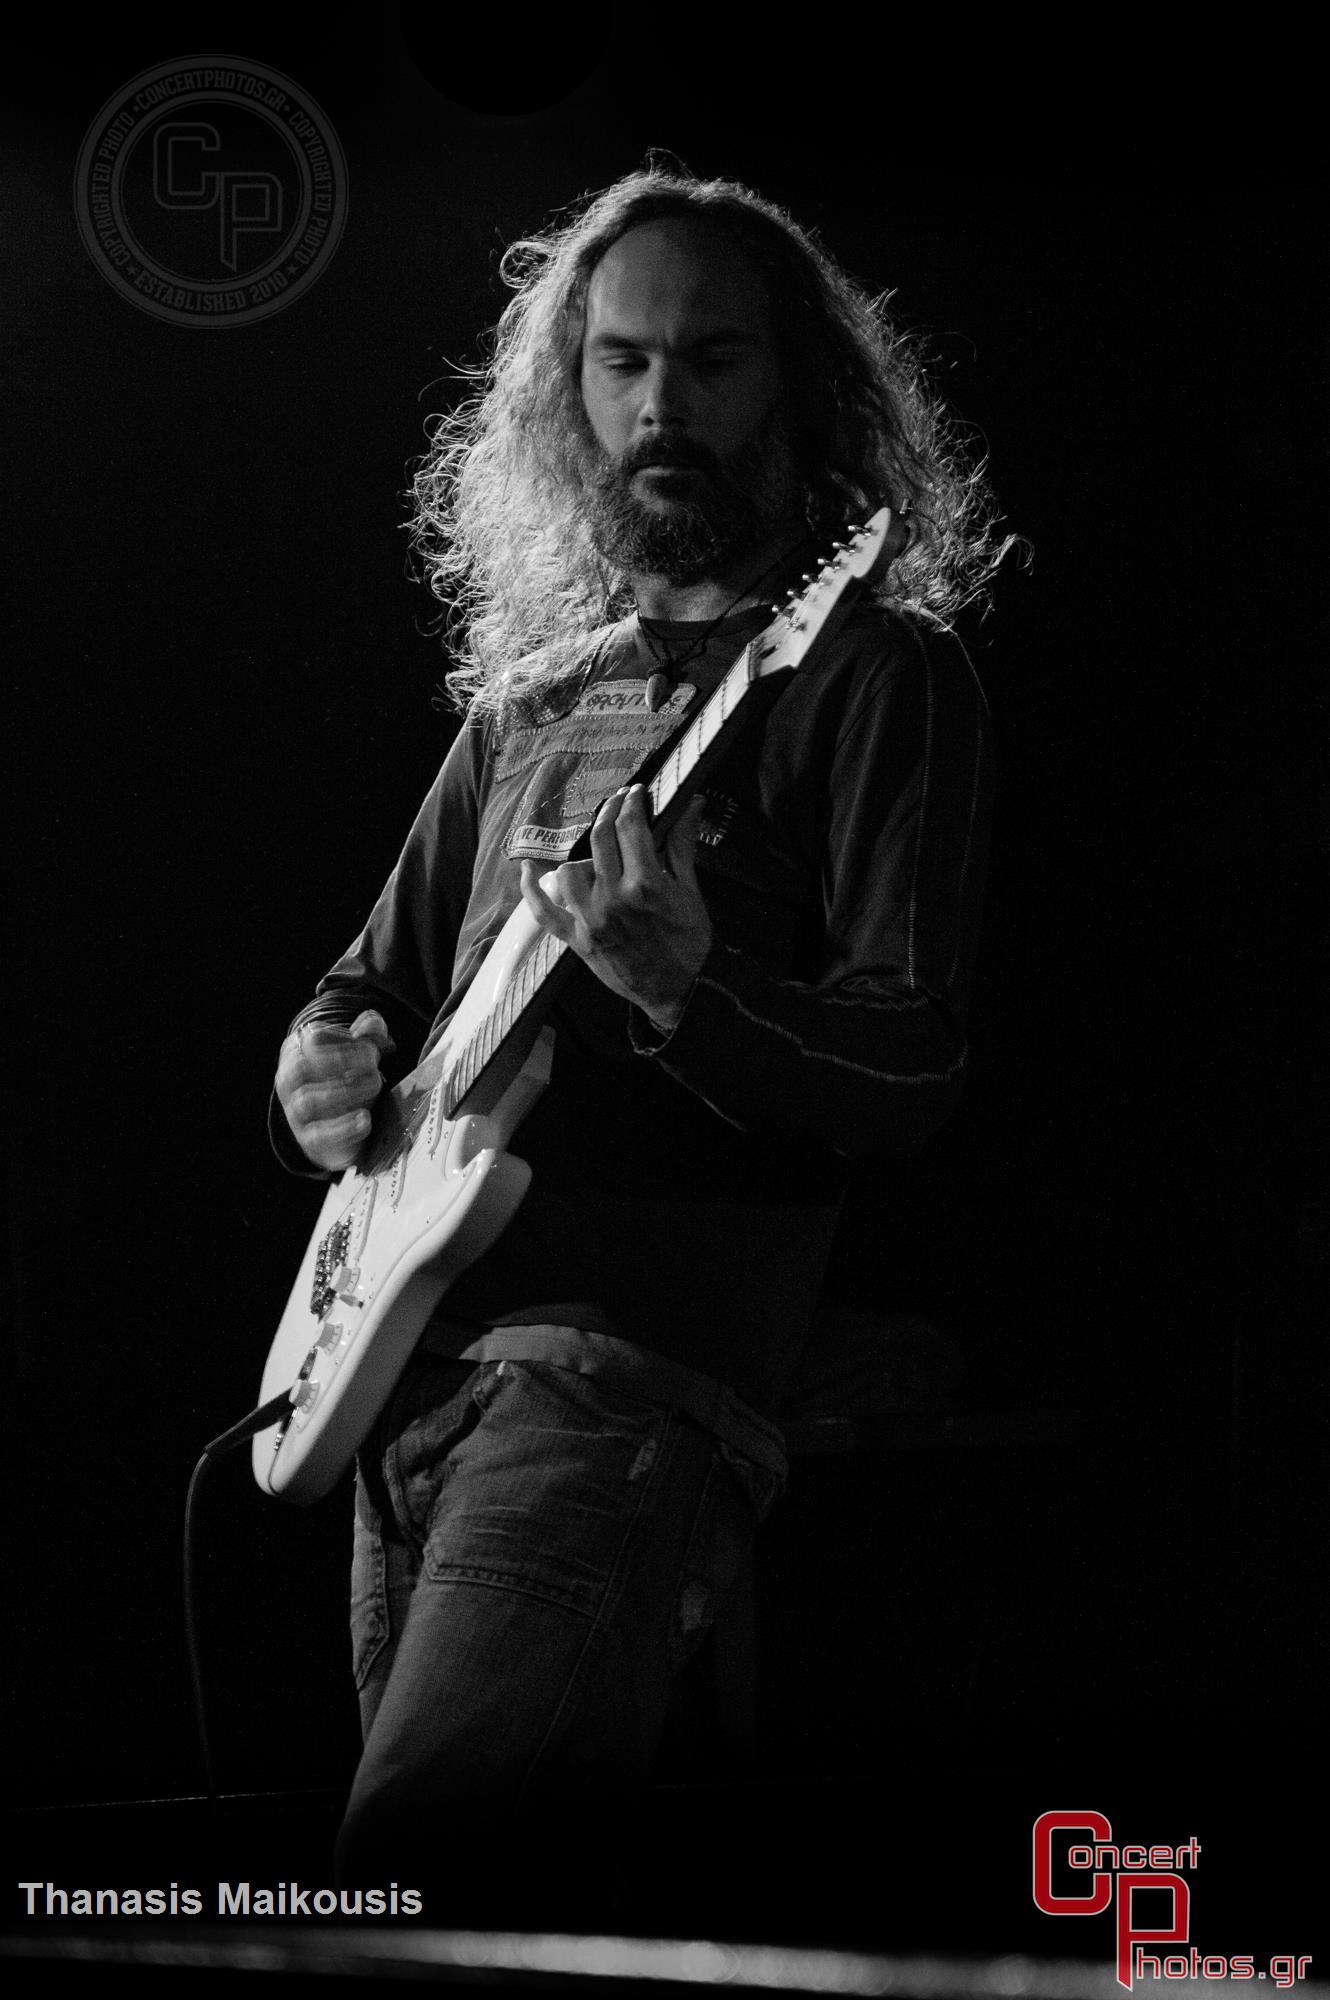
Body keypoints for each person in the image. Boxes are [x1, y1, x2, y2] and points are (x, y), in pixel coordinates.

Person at [270, 165, 1009, 1917]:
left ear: (797, 390)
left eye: (710, 360)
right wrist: (323, 1067)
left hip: (617, 1385)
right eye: (619, 363)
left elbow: (911, 1070)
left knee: (415, 1876)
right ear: (569, 394)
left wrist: (691, 991)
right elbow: (366, 988)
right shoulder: (530, 705)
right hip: (408, 1378)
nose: (661, 406)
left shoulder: (867, 676)